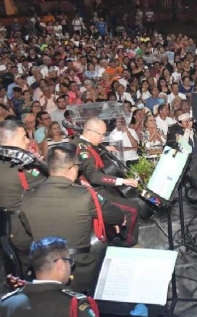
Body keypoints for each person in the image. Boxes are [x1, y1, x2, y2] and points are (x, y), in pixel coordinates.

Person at [0, 237, 150, 317]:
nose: (70, 267)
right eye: (69, 261)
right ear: (60, 265)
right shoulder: (74, 305)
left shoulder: (7, 304)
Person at [20, 144, 126, 294]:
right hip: (79, 269)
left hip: (42, 269)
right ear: (71, 168)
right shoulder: (85, 195)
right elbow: (116, 215)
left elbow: (28, 228)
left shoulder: (28, 196)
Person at [74, 117, 140, 247]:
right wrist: (123, 181)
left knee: (119, 199)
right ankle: (128, 243)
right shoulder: (83, 150)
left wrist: (105, 149)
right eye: (102, 135)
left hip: (95, 188)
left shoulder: (82, 142)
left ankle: (115, 233)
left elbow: (94, 150)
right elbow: (93, 176)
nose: (103, 138)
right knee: (133, 209)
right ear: (91, 132)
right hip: (93, 191)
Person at [0, 120, 47, 263]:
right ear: (10, 140)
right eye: (23, 138)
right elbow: (51, 183)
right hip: (24, 233)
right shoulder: (23, 167)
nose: (27, 141)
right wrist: (39, 162)